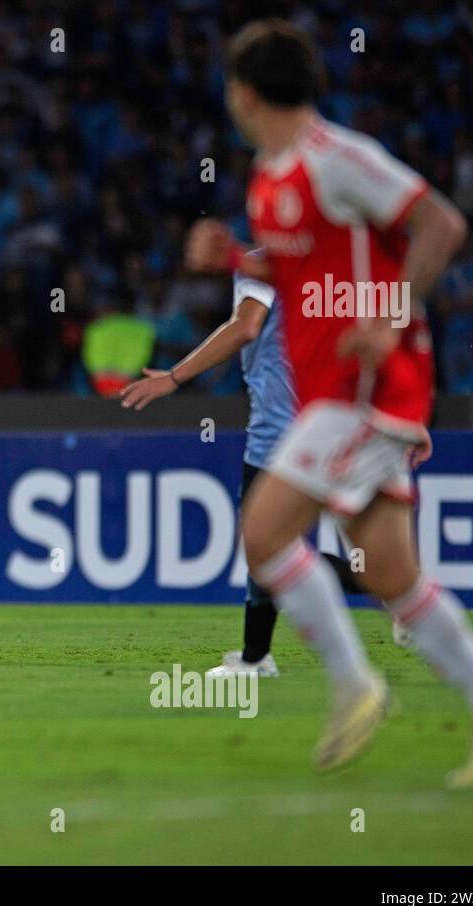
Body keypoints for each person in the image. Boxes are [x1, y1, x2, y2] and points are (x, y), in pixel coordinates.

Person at [185, 19, 473, 786]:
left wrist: (392, 311)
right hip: (335, 388)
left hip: (369, 388)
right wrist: (241, 259)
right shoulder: (269, 175)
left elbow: (441, 222)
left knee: (264, 530)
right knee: (391, 574)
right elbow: (299, 276)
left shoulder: (337, 158)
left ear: (244, 92)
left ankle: (355, 688)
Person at [122, 260, 365, 677]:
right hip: (316, 419)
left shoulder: (262, 263)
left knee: (266, 547)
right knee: (266, 549)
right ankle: (257, 656)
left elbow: (246, 326)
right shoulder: (323, 266)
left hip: (281, 431)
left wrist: (174, 377)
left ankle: (390, 583)